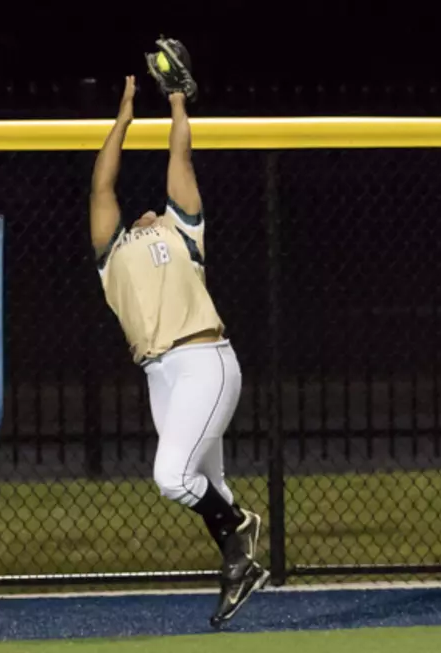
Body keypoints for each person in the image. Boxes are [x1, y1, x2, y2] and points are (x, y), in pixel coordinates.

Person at [89, 37, 269, 628]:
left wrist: (176, 105)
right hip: (159, 376)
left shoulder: (181, 230)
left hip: (205, 360)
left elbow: (181, 163)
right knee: (204, 481)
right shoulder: (111, 255)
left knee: (172, 478)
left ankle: (241, 531)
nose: (141, 211)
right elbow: (102, 189)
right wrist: (121, 121)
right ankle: (239, 563)